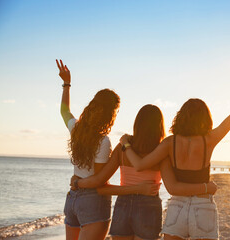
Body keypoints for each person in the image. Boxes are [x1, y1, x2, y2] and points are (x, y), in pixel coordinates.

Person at [121, 60, 230, 240]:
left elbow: (139, 165)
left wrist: (126, 144)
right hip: (203, 205)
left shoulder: (170, 143)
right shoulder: (209, 140)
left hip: (177, 207)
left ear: (181, 117)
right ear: (205, 118)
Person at [72, 104, 217, 240]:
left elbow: (101, 188)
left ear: (137, 124)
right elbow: (172, 187)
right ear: (160, 127)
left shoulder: (122, 149)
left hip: (122, 207)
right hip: (149, 208)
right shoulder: (161, 152)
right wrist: (204, 186)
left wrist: (79, 182)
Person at [57, 60, 158, 240]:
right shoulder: (103, 142)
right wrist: (139, 189)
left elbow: (64, 110)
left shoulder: (76, 129)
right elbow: (99, 184)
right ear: (110, 114)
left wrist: (66, 84)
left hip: (72, 199)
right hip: (91, 203)